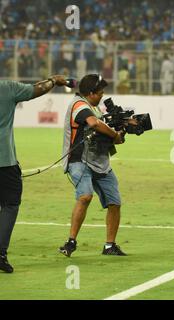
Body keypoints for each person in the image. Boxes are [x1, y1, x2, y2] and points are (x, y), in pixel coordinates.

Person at [0, 74, 69, 273]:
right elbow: (36, 90)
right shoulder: (7, 88)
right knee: (10, 204)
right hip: (4, 161)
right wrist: (54, 80)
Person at [59, 74, 128, 258]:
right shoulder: (79, 104)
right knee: (85, 196)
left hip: (100, 161)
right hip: (78, 159)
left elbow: (101, 129)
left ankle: (109, 246)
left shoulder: (95, 107)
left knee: (115, 202)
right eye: (100, 92)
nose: (102, 95)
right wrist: (114, 135)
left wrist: (120, 132)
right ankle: (71, 241)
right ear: (90, 93)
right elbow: (93, 123)